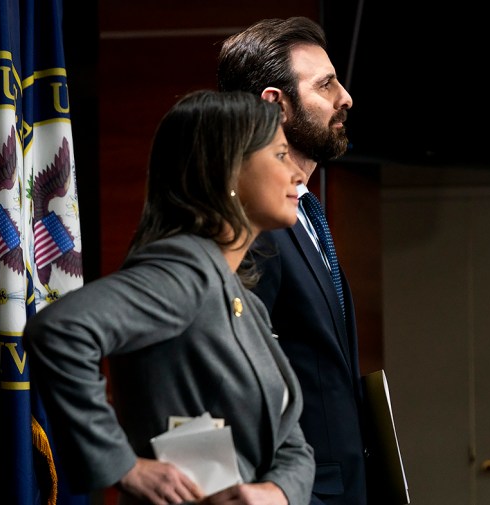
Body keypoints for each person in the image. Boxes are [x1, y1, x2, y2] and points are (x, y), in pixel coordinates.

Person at [25, 90, 313, 505]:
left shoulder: (245, 300)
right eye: (281, 155)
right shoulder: (185, 270)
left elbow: (291, 442)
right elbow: (59, 330)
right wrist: (123, 466)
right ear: (227, 169)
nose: (298, 174)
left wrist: (276, 492)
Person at [217, 18, 368, 505]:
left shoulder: (303, 211)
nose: (346, 98)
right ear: (274, 105)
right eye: (326, 85)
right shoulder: (249, 222)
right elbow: (224, 376)